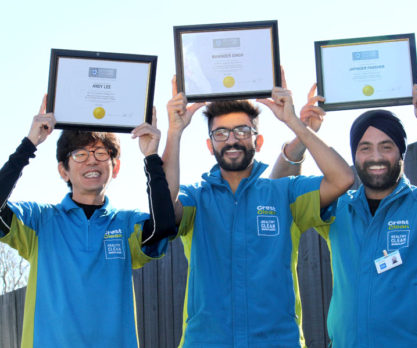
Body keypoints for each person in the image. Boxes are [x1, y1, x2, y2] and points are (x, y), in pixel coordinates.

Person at [271, 72, 417, 347]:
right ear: (355, 156)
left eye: (386, 147)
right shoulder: (340, 209)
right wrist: (302, 133)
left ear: (401, 153)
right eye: (365, 148)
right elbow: (277, 196)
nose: (375, 157)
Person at [161, 74, 354, 348]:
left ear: (258, 141)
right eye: (221, 133)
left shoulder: (284, 192)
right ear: (210, 145)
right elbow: (164, 210)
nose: (232, 140)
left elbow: (342, 179)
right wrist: (174, 132)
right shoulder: (196, 197)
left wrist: (294, 123)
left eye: (242, 131)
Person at [0, 97, 176, 348]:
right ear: (63, 170)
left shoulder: (126, 225)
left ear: (115, 168)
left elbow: (164, 227)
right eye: (80, 154)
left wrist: (151, 156)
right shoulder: (39, 222)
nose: (92, 160)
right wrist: (30, 143)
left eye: (101, 153)